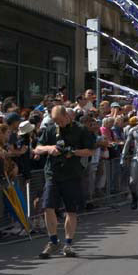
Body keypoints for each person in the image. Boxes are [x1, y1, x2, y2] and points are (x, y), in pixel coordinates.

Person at [34, 106, 95, 259]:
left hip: (72, 174)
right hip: (53, 173)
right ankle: (53, 241)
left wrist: (73, 152)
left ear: (67, 116)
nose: (58, 124)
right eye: (55, 121)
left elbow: (90, 150)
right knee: (48, 207)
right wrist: (50, 148)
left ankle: (68, 243)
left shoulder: (80, 129)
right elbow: (37, 149)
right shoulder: (49, 129)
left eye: (60, 121)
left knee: (71, 210)